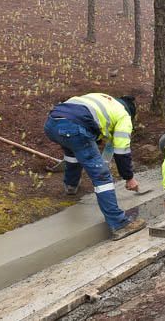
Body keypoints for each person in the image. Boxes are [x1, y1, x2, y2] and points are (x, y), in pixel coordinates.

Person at [43, 93, 146, 240]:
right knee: (102, 177)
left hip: (52, 123)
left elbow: (92, 125)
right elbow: (122, 151)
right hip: (74, 128)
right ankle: (119, 224)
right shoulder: (124, 116)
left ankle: (71, 186)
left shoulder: (103, 99)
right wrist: (129, 178)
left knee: (73, 153)